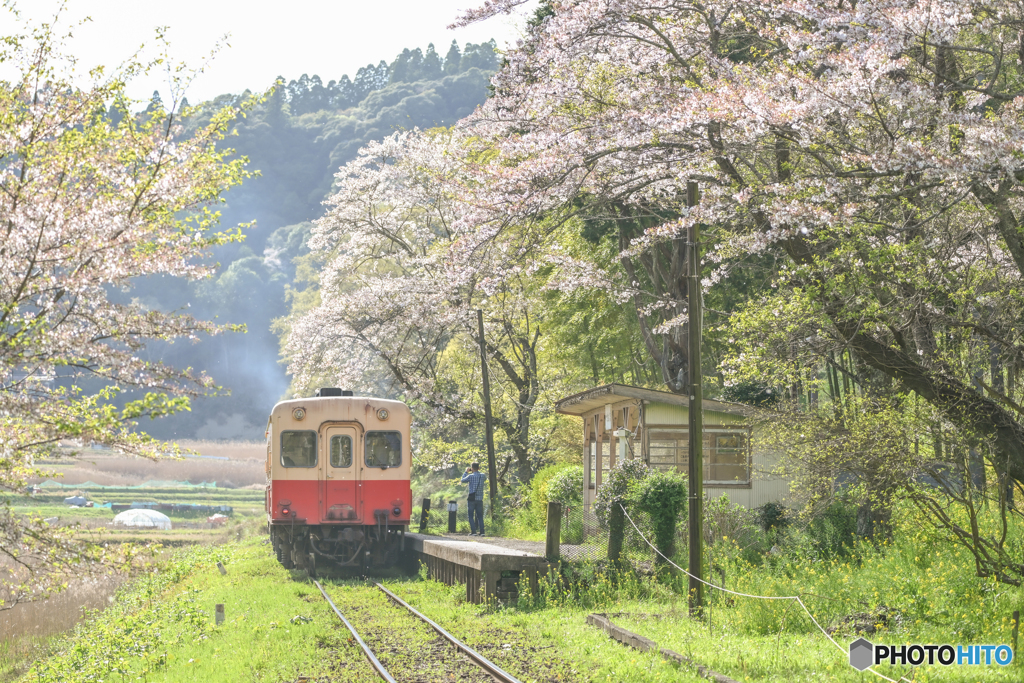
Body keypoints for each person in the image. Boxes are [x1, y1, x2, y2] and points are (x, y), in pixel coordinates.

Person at [461, 462, 486, 536]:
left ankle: (474, 532)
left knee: (470, 516)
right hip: (480, 499)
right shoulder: (483, 476)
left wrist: (466, 472)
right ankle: (482, 532)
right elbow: (484, 478)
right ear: (479, 468)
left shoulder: (470, 476)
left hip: (472, 499)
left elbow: (462, 480)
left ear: (471, 468)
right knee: (480, 516)